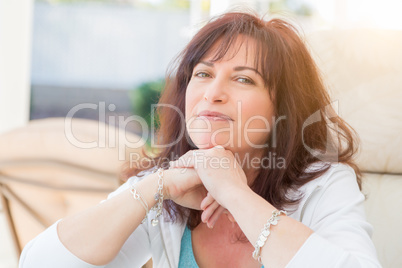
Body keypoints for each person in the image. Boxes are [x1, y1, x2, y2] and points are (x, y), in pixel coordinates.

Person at [19, 11, 381, 268]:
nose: (213, 93)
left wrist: (236, 195)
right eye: (203, 73)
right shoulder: (171, 183)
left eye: (243, 79)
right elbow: (38, 264)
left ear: (281, 108)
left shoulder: (324, 184)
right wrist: (154, 187)